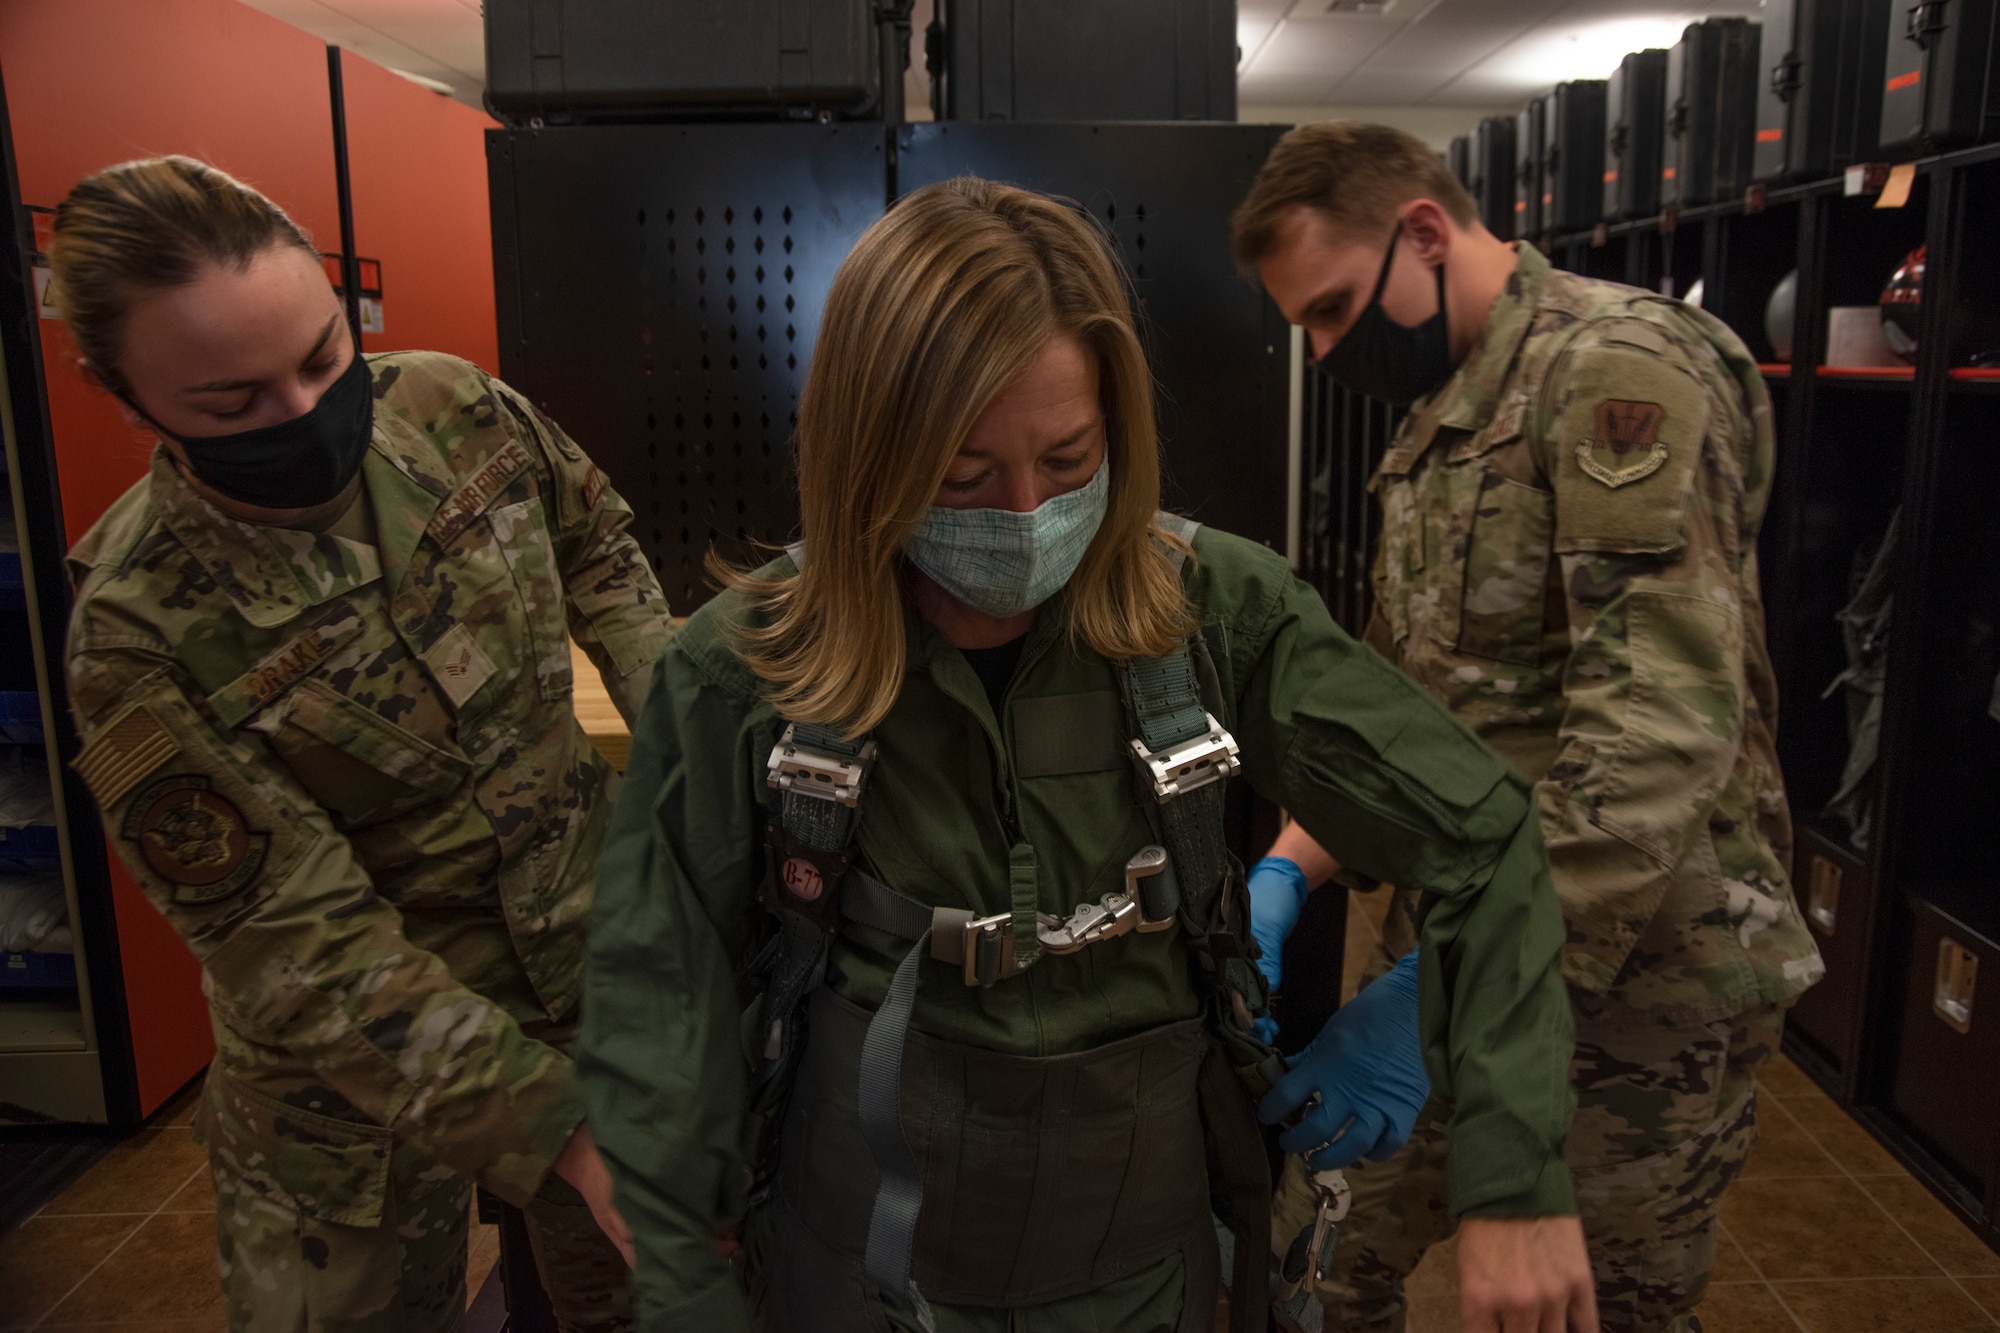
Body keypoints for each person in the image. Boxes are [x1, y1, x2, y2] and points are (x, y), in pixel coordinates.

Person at [578, 175, 1599, 1333]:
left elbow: (1485, 836)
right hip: (848, 1266)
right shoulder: (744, 665)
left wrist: (1511, 1167)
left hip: (1140, 1270)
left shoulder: (1221, 614)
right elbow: (656, 969)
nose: (1020, 512)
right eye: (961, 476)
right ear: (867, 452)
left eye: (1066, 460)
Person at [55, 156, 669, 1332]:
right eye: (231, 403)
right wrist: (561, 1131)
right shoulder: (139, 634)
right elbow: (306, 954)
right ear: (123, 396)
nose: (302, 414)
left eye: (324, 358)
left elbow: (594, 538)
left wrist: (675, 725)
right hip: (357, 1090)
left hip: (589, 979)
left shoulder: (452, 405)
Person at [1232, 122, 1827, 1332]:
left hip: (1628, 988)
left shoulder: (1616, 372)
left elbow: (1656, 733)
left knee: (1587, 1306)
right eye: (1306, 326)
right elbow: (1414, 713)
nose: (1329, 349)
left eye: (1337, 309)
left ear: (1422, 231)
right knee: (1307, 1260)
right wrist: (1295, 860)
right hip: (1455, 951)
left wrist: (1438, 990)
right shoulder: (1450, 405)